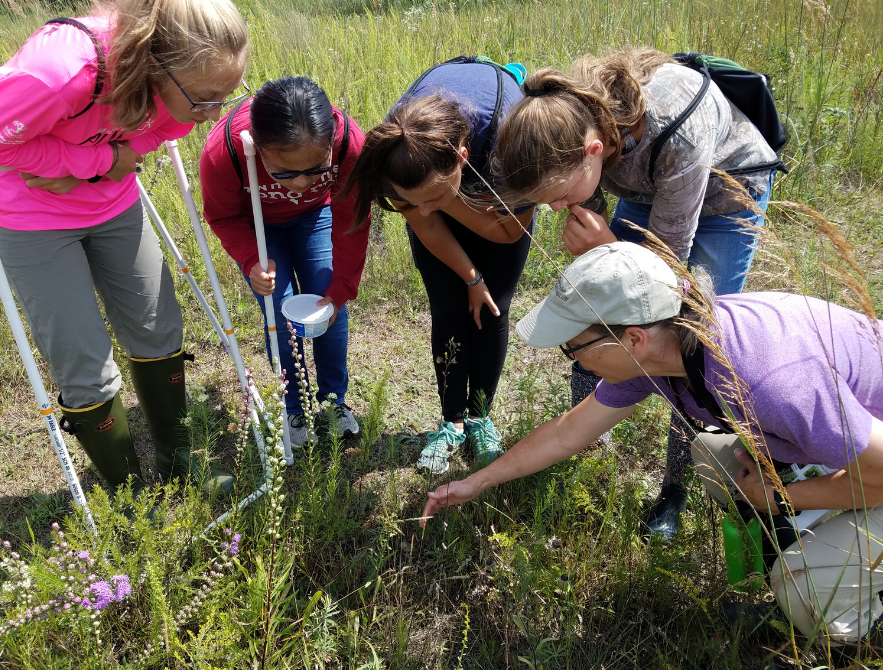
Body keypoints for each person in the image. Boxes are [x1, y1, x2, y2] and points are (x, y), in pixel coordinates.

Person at [421, 241, 883, 644]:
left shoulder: (769, 379)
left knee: (801, 584)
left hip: (877, 462)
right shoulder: (674, 347)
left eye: (574, 347)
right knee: (712, 455)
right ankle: (815, 564)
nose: (574, 362)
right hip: (855, 445)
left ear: (634, 338)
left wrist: (780, 497)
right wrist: (477, 482)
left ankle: (851, 621)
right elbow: (568, 432)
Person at [0, 0, 249, 495]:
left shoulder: (183, 89)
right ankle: (129, 493)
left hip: (113, 203)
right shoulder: (62, 70)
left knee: (158, 327)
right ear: (155, 63)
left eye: (226, 94)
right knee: (83, 360)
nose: (214, 114)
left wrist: (97, 165)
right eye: (204, 98)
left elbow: (159, 132)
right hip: (31, 215)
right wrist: (89, 160)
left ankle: (178, 462)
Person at [492, 48, 782, 540]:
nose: (558, 209)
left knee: (691, 339)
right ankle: (583, 444)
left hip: (726, 193)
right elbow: (607, 285)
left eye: (560, 197)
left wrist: (608, 246)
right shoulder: (571, 124)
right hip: (651, 186)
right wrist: (599, 252)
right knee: (595, 307)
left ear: (592, 152)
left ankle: (676, 488)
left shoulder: (677, 130)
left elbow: (665, 284)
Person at [344, 57, 536, 474]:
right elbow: (424, 222)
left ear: (462, 157)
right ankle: (451, 424)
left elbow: (507, 233)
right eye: (411, 199)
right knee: (448, 308)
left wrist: (447, 203)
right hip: (439, 178)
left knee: (491, 307)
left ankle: (481, 417)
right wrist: (470, 275)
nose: (423, 209)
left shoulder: (514, 142)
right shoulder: (397, 150)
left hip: (499, 201)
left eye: (431, 197)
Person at [199, 76, 369, 447]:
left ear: (332, 143)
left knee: (328, 303)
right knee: (279, 311)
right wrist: (249, 260)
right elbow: (222, 216)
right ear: (258, 147)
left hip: (317, 217)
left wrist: (343, 286)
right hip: (258, 225)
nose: (300, 185)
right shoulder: (224, 150)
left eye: (316, 170)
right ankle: (294, 405)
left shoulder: (349, 144)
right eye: (285, 172)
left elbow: (353, 217)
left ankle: (332, 401)